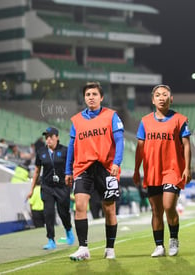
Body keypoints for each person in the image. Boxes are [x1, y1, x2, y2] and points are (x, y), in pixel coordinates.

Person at [65, 81, 125, 260]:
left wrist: (117, 162)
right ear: (84, 98)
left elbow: (120, 140)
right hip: (83, 168)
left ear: (101, 97)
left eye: (94, 94)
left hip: (107, 169)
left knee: (109, 209)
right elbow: (71, 146)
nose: (91, 97)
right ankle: (83, 248)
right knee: (80, 206)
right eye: (88, 95)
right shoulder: (76, 120)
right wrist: (68, 170)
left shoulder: (112, 116)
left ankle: (110, 248)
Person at [133, 84, 191, 257]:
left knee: (168, 206)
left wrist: (187, 168)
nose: (161, 97)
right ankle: (159, 245)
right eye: (157, 95)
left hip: (172, 170)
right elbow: (140, 148)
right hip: (152, 171)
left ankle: (173, 239)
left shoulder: (180, 119)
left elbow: (186, 145)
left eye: (165, 94)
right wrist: (136, 169)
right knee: (156, 210)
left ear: (170, 99)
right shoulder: (145, 121)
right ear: (153, 100)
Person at [27, 127, 74, 249]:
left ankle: (68, 230)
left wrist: (72, 184)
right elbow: (37, 171)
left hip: (62, 186)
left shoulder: (65, 151)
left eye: (51, 137)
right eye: (46, 137)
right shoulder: (41, 152)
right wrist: (31, 189)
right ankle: (51, 240)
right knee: (48, 213)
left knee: (63, 212)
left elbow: (72, 168)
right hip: (47, 186)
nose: (48, 140)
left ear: (57, 137)